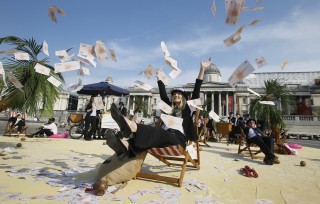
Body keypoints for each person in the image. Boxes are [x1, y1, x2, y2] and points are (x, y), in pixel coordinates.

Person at [106, 59, 211, 155]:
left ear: (183, 97)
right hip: (163, 137)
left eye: (179, 94)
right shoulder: (169, 108)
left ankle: (130, 126)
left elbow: (197, 89)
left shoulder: (188, 108)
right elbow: (163, 93)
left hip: (178, 139)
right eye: (174, 94)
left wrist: (202, 69)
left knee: (159, 132)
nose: (176, 95)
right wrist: (159, 77)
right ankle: (126, 145)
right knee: (153, 132)